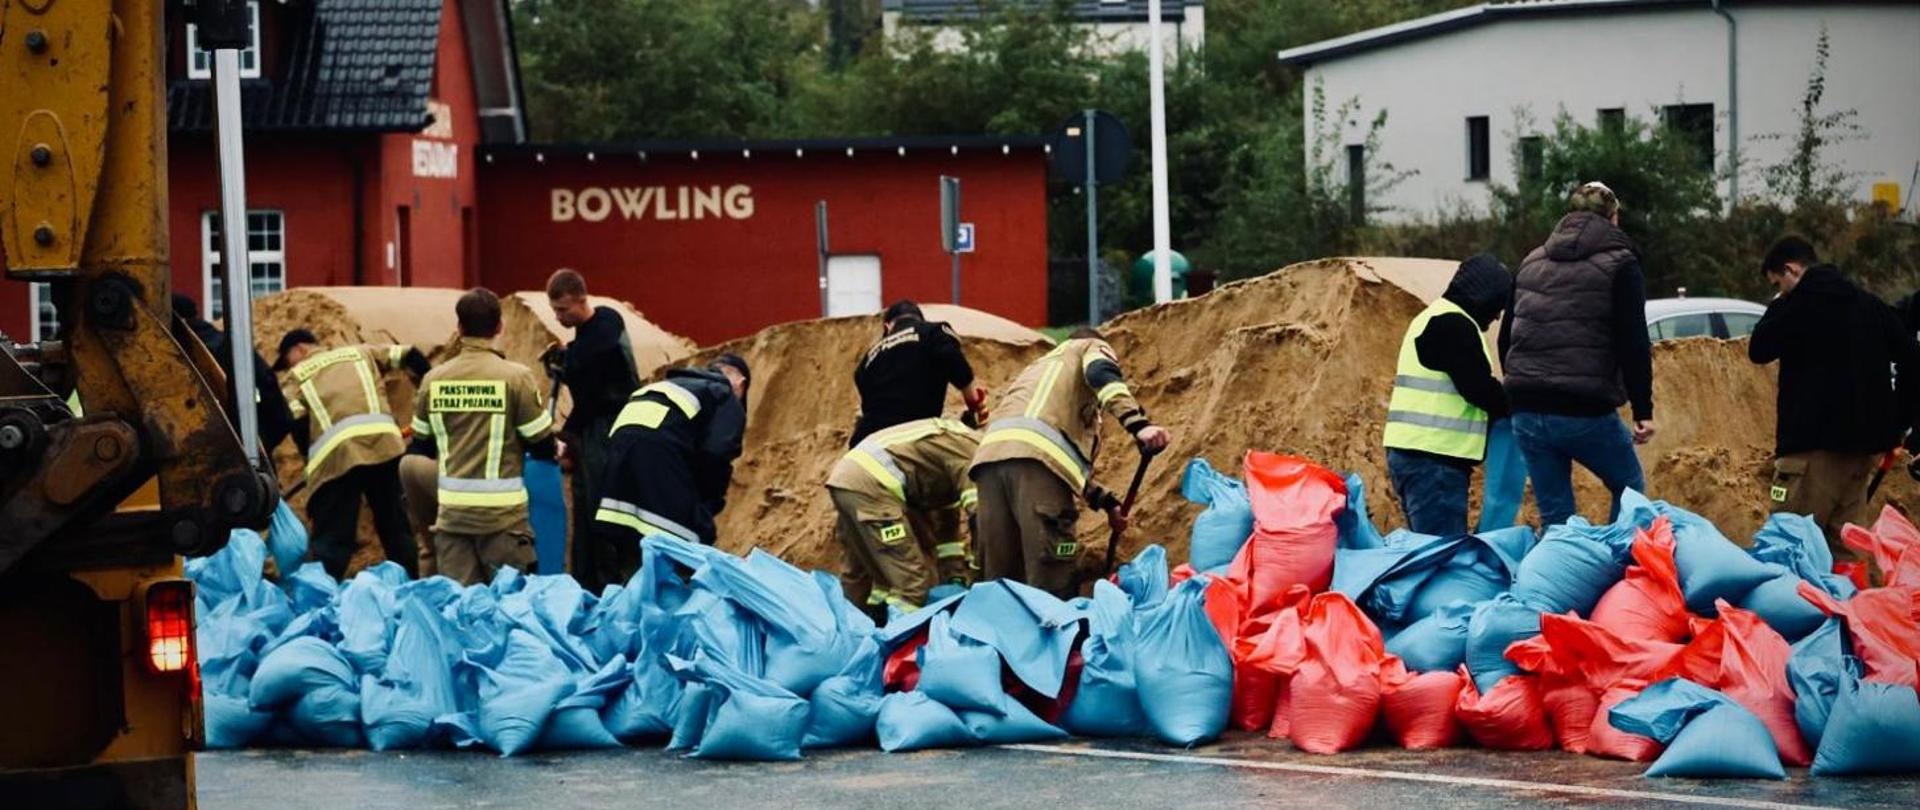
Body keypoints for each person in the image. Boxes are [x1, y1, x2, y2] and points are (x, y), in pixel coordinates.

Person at [1749, 236, 1920, 557]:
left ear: (1791, 270)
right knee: (1846, 550)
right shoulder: (1869, 304)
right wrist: (1900, 422)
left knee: (1789, 547)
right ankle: (1848, 606)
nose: (1780, 291)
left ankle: (1798, 607)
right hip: (1862, 454)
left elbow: (1758, 348)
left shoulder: (1796, 305)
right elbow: (1913, 358)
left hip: (1810, 455)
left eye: (1778, 283)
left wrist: (1778, 303)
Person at [969, 328, 1171, 599]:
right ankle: (1061, 637)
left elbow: (1057, 458)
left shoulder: (1037, 369)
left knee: (1002, 581)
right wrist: (1139, 425)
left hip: (989, 463)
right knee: (1051, 572)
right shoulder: (1088, 347)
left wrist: (1108, 504)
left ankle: (1002, 639)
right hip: (1034, 466)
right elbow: (1101, 374)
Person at [1500, 181, 1655, 528]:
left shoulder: (1531, 261)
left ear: (1569, 216)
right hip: (1582, 409)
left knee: (1556, 517)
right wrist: (1643, 409)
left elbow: (1507, 336)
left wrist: (1519, 386)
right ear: (1614, 218)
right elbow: (1633, 339)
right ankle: (1615, 571)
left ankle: (1562, 577)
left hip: (1525, 407)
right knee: (1629, 487)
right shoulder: (1621, 262)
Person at [406, 288, 558, 585]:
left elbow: (420, 445)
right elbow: (541, 444)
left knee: (460, 613)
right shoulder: (516, 378)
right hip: (503, 522)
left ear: (460, 328)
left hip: (453, 521)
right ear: (499, 327)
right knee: (507, 612)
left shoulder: (433, 380)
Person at [276, 328, 431, 578]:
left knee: (333, 537)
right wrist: (426, 389)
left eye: (286, 360)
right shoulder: (360, 352)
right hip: (384, 447)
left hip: (336, 458)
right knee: (396, 526)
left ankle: (319, 595)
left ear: (300, 350)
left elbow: (297, 424)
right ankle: (410, 584)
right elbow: (410, 355)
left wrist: (311, 460)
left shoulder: (295, 377)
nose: (286, 367)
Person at [1383, 254, 1514, 536]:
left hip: (1417, 455)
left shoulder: (1435, 318)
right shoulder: (1453, 325)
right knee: (1441, 555)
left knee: (1429, 549)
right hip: (1433, 461)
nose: (1497, 315)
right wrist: (1522, 404)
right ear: (1483, 296)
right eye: (1497, 306)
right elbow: (1478, 389)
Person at [590, 355, 750, 582]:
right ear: (741, 384)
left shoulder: (665, 387)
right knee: (680, 556)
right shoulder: (725, 395)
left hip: (615, 488)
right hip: (658, 476)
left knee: (633, 561)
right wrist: (706, 507)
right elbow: (716, 455)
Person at [543, 268, 641, 591]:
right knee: (584, 512)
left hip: (613, 428)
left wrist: (567, 362)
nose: (558, 317)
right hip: (591, 429)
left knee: (603, 510)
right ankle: (585, 583)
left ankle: (611, 584)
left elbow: (594, 364)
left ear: (581, 300)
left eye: (563, 310)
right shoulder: (583, 341)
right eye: (554, 310)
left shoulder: (607, 323)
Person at [827, 417, 980, 621]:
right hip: (873, 488)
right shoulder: (976, 458)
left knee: (862, 573)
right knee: (912, 584)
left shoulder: (952, 446)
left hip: (847, 482)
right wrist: (980, 572)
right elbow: (984, 522)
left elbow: (947, 527)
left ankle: (852, 634)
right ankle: (897, 643)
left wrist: (955, 574)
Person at [172, 293, 294, 455]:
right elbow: (279, 412)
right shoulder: (233, 347)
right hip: (246, 462)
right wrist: (259, 447)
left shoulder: (168, 359)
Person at [851, 299, 986, 445]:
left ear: (888, 326)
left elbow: (867, 401)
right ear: (920, 320)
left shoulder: (869, 358)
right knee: (973, 456)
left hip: (865, 444)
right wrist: (973, 404)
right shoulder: (933, 331)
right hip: (914, 436)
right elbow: (954, 362)